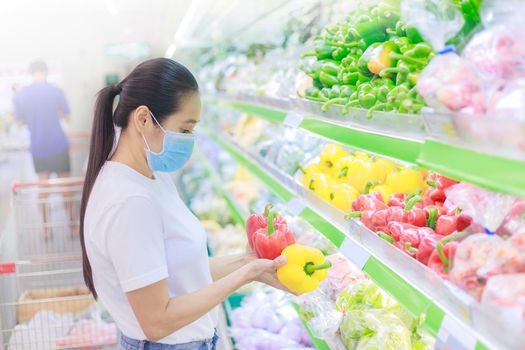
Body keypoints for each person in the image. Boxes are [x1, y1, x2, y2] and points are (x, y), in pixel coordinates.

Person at [80, 58, 288, 350]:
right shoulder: (130, 202)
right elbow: (157, 321)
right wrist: (245, 276)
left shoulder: (151, 175)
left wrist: (248, 262)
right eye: (185, 129)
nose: (189, 139)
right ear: (143, 119)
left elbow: (183, 273)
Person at [14, 60, 71, 179]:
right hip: (58, 144)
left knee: (43, 187)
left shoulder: (21, 95)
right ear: (46, 72)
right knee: (66, 188)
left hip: (38, 146)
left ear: (31, 73)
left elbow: (18, 123)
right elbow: (67, 118)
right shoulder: (56, 91)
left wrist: (31, 118)